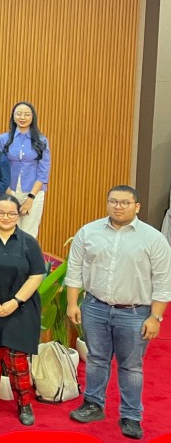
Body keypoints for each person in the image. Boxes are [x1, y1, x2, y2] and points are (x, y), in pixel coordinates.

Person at [66, 185, 171, 440]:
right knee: (97, 359)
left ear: (137, 207)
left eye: (125, 202)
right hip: (95, 307)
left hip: (135, 313)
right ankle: (93, 404)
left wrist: (156, 317)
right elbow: (74, 269)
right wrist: (72, 304)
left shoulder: (153, 238)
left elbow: (163, 281)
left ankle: (131, 416)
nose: (118, 206)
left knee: (131, 366)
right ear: (107, 203)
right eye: (113, 201)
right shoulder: (88, 232)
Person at [0, 194, 44, 426]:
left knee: (17, 359)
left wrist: (15, 301)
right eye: (0, 212)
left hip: (20, 307)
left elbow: (36, 275)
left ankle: (24, 403)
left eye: (11, 213)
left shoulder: (28, 241)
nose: (5, 217)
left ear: (18, 215)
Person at [0, 102, 51, 237]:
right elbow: (0, 167)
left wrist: (31, 198)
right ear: (13, 117)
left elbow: (43, 172)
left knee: (29, 233)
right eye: (19, 114)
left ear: (32, 117)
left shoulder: (41, 140)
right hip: (10, 190)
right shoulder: (3, 139)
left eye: (27, 114)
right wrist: (8, 192)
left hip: (34, 192)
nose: (22, 117)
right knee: (9, 230)